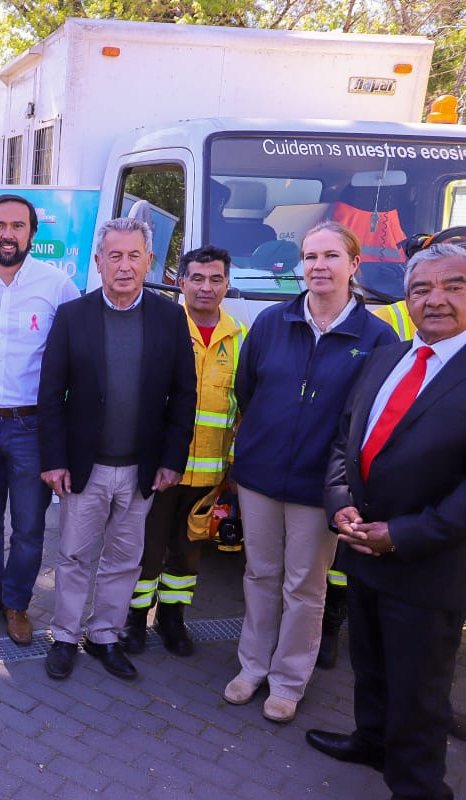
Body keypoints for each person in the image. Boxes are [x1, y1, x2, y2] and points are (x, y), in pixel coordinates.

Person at [308, 242, 466, 799]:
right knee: (369, 665)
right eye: (421, 289)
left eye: (454, 287)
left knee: (420, 691)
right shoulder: (386, 357)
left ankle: (418, 786)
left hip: (428, 566)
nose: (436, 299)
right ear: (406, 299)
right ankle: (371, 741)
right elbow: (344, 439)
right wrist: (339, 502)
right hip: (363, 551)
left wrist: (403, 534)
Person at [226, 221, 396, 723]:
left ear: (354, 265)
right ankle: (252, 666)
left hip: (320, 486)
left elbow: (370, 418)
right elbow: (247, 391)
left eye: (331, 256)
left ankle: (288, 681)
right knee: (260, 574)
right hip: (260, 476)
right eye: (311, 256)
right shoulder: (271, 322)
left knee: (305, 586)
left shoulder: (377, 337)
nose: (319, 266)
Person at [39, 217, 197, 681]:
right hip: (85, 466)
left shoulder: (170, 317)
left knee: (125, 560)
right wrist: (54, 460)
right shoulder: (73, 316)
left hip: (141, 468)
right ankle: (65, 636)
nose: (124, 266)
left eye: (134, 256)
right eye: (115, 256)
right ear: (99, 262)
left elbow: (183, 395)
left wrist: (172, 459)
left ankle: (104, 636)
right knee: (73, 556)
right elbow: (51, 394)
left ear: (149, 261)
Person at [0, 193, 79, 645]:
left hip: (32, 426)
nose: (8, 235)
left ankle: (16, 603)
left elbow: (74, 359)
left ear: (32, 233)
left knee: (28, 525)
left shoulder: (58, 287)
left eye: (18, 226)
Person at [119, 245, 244, 657]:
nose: (206, 288)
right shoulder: (160, 327)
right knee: (146, 549)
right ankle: (135, 618)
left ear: (227, 284)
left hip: (209, 474)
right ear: (181, 282)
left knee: (188, 554)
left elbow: (246, 409)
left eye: (216, 279)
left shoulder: (241, 338)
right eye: (197, 278)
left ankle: (172, 618)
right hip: (158, 469)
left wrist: (234, 466)